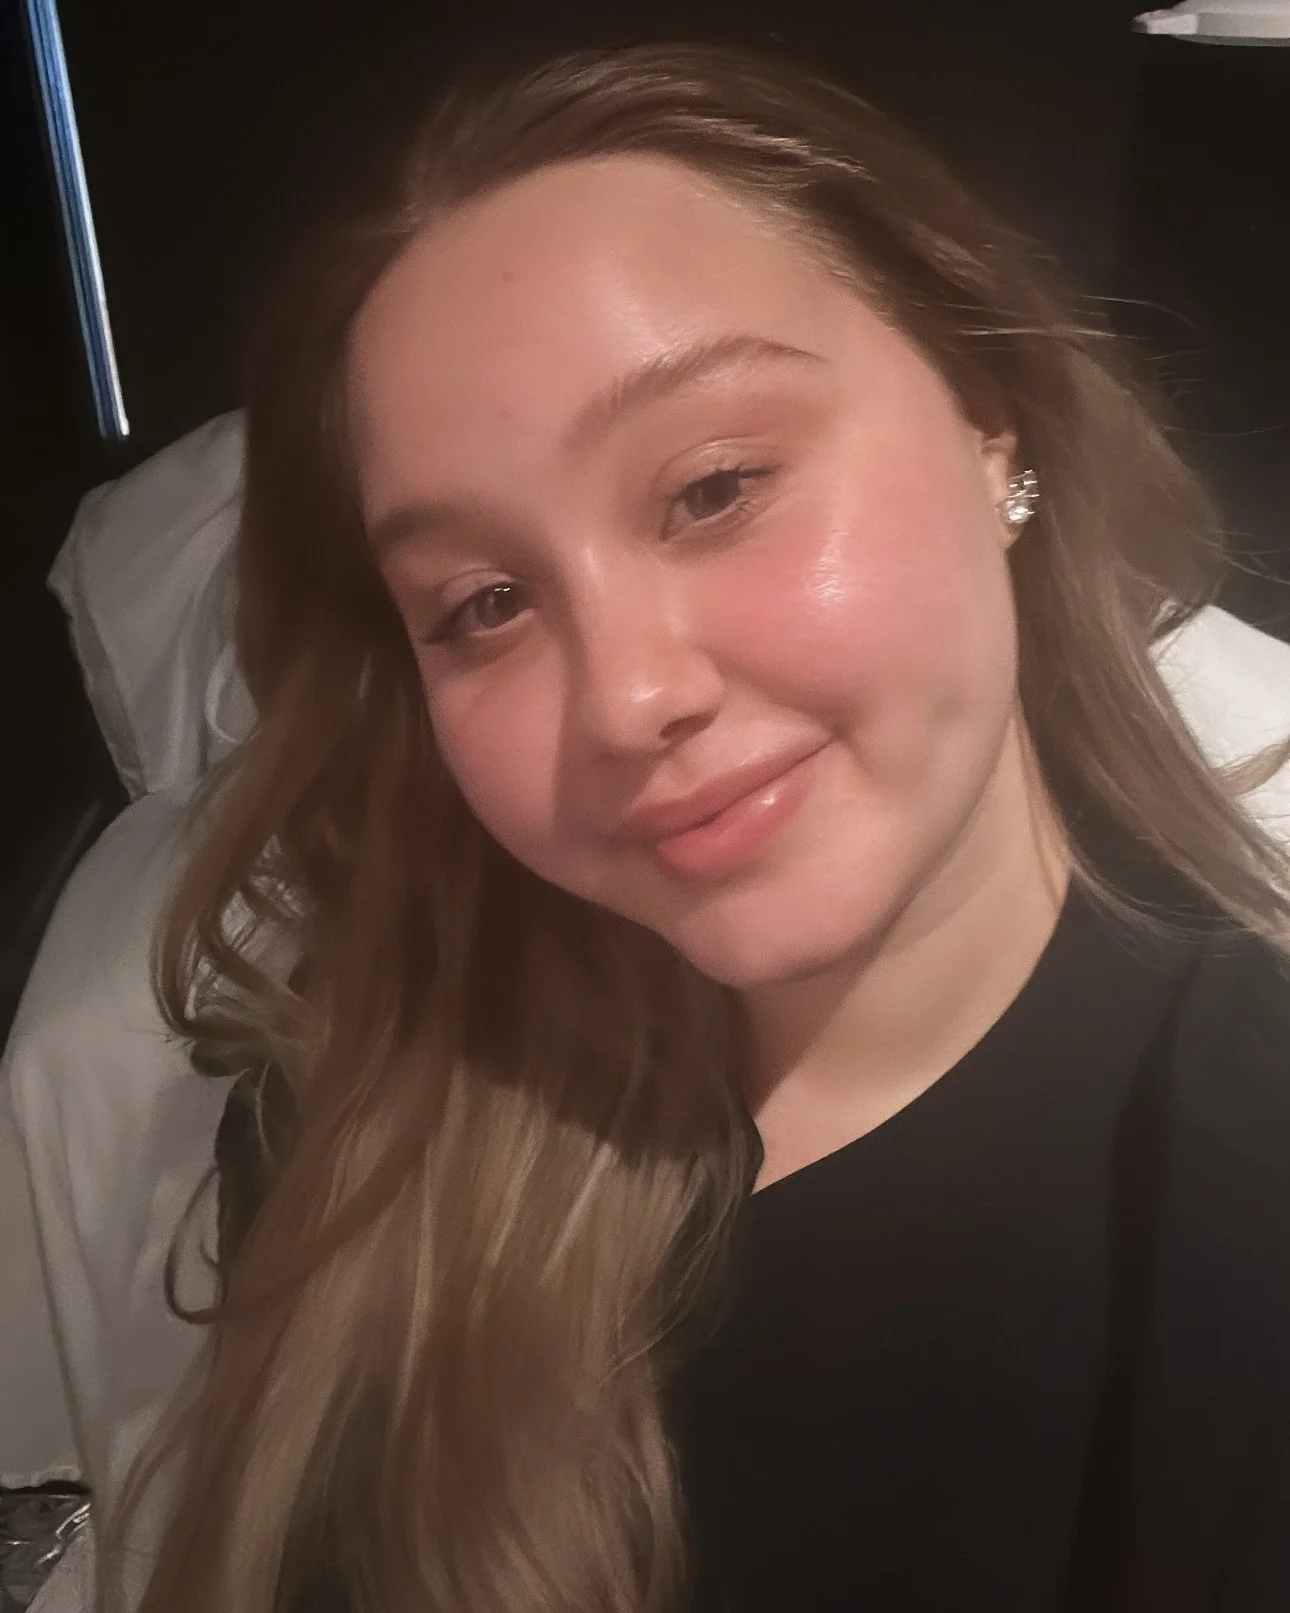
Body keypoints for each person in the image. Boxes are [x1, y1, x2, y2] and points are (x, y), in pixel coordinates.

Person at [108, 40, 1290, 1613]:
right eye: (486, 602)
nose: (625, 698)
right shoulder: (356, 1132)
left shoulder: (1233, 1209)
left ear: (986, 425)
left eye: (715, 487)